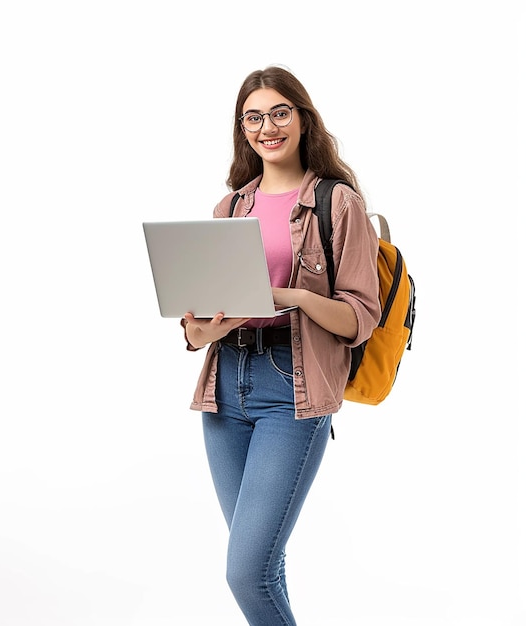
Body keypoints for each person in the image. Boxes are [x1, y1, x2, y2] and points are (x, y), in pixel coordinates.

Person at [181, 66, 381, 625]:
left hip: (291, 388)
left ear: (302, 118)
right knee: (262, 564)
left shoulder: (337, 203)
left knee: (246, 571)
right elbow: (194, 332)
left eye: (278, 112)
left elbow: (360, 318)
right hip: (224, 392)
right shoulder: (230, 209)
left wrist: (289, 296)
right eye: (252, 117)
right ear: (241, 128)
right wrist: (209, 327)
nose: (266, 127)